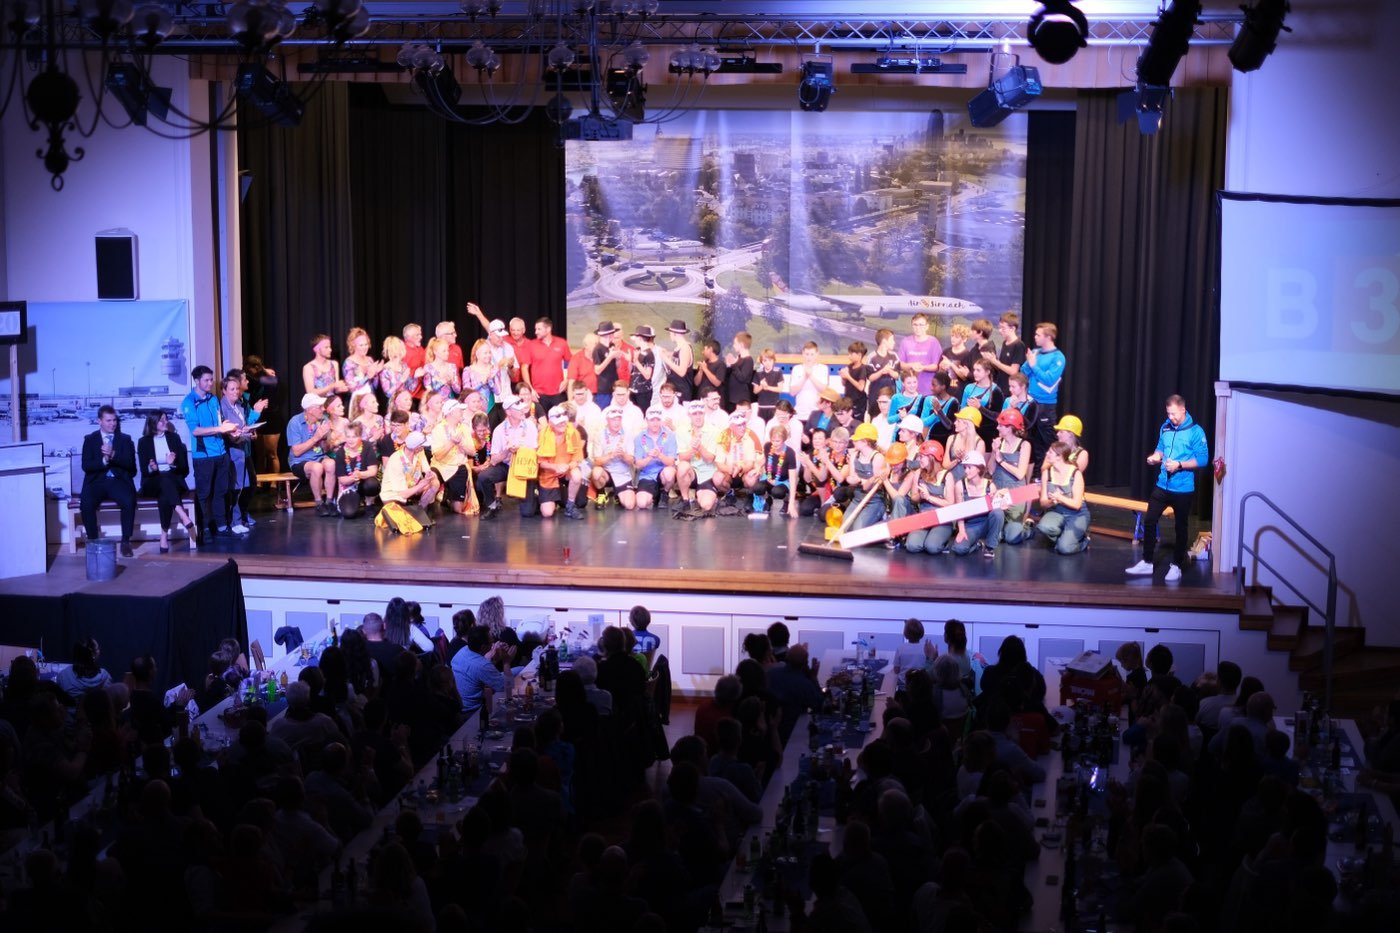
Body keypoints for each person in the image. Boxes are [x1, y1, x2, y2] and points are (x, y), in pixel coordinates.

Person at [1126, 395, 1209, 583]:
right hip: (1162, 485)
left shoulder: (1196, 431)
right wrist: (1155, 457)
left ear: (1183, 410)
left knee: (1181, 527)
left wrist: (1179, 465)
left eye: (1174, 414)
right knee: (1149, 520)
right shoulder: (1165, 427)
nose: (1171, 417)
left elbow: (1203, 459)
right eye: (1168, 414)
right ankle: (1147, 562)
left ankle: (1176, 565)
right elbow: (1160, 449)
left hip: (1183, 489)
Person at [181, 366, 239, 540]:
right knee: (204, 494)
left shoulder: (213, 399)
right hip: (203, 456)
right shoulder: (189, 402)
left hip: (221, 452)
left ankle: (222, 526)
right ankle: (205, 528)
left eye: (211, 379)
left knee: (221, 491)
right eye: (206, 380)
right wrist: (220, 429)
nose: (210, 383)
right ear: (196, 381)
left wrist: (229, 429)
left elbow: (220, 423)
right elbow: (195, 430)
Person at [76, 404, 140, 556]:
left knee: (128, 501)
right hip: (96, 482)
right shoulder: (90, 439)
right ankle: (93, 541)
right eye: (108, 420)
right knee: (86, 503)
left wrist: (113, 455)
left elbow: (131, 466)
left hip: (118, 481)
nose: (113, 424)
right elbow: (86, 466)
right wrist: (104, 461)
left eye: (114, 420)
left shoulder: (125, 440)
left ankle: (125, 542)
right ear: (99, 421)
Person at [137, 410, 194, 552]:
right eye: (162, 420)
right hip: (152, 483)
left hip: (173, 481)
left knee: (164, 494)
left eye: (166, 419)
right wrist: (152, 468)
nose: (165, 422)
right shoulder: (143, 442)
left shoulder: (174, 438)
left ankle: (164, 536)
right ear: (153, 422)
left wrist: (172, 464)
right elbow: (144, 471)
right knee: (163, 480)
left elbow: (185, 469)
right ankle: (182, 514)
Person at [476, 397, 537, 519]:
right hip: (506, 465)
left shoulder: (530, 426)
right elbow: (493, 460)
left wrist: (520, 450)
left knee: (528, 512)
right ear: (508, 412)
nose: (522, 411)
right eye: (518, 409)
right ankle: (492, 506)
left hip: (524, 467)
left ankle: (536, 499)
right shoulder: (499, 430)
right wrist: (507, 451)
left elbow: (535, 450)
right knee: (483, 477)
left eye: (522, 409)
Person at [221, 373, 263, 533]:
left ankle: (239, 519)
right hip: (232, 452)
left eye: (237, 389)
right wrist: (244, 435)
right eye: (232, 389)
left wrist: (249, 432)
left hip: (241, 451)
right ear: (224, 390)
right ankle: (234, 521)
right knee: (235, 487)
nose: (236, 392)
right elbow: (230, 434)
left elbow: (242, 428)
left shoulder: (238, 406)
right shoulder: (222, 408)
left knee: (243, 486)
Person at [528, 405, 586, 520]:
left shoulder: (573, 432)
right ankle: (544, 497)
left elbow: (577, 458)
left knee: (577, 477)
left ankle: (570, 505)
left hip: (567, 469)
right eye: (559, 423)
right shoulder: (542, 435)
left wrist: (568, 466)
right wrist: (555, 467)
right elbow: (540, 462)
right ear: (550, 423)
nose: (562, 425)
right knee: (547, 513)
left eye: (564, 422)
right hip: (549, 473)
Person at [1021, 322, 1066, 468]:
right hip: (1030, 402)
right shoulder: (1035, 352)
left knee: (1047, 441)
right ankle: (1035, 474)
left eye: (1038, 335)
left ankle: (1051, 472)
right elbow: (1023, 371)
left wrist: (1034, 366)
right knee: (1031, 440)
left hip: (1045, 405)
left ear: (1048, 337)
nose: (1035, 337)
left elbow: (1049, 379)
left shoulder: (1058, 357)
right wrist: (1030, 364)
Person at [1036, 441, 1091, 554]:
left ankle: (1083, 542)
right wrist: (1052, 501)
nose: (1047, 454)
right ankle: (1063, 538)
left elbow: (1077, 504)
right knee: (1043, 527)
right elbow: (1043, 502)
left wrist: (1060, 497)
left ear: (1059, 456)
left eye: (1050, 452)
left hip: (1077, 514)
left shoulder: (1075, 473)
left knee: (1064, 549)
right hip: (1057, 511)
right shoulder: (1047, 473)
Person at [287, 392, 336, 516]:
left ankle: (330, 502)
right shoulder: (295, 422)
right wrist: (316, 438)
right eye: (319, 407)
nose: (323, 409)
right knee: (317, 467)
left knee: (331, 464)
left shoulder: (324, 420)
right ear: (310, 410)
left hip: (319, 456)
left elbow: (326, 449)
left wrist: (325, 438)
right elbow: (296, 452)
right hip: (299, 461)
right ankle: (319, 503)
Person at [990, 408, 1033, 545]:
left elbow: (1020, 474)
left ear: (1010, 428)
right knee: (996, 536)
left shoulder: (1024, 445)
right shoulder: (998, 443)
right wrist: (994, 452)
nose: (997, 428)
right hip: (998, 492)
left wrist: (1001, 460)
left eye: (1000, 425)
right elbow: (990, 470)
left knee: (1012, 537)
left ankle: (1027, 528)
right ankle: (1002, 528)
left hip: (1015, 494)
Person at [904, 440, 955, 556]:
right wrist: (920, 495)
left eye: (922, 457)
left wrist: (928, 497)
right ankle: (926, 538)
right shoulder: (918, 473)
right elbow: (914, 498)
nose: (919, 459)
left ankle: (941, 542)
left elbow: (950, 503)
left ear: (932, 458)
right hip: (925, 517)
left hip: (942, 519)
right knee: (912, 546)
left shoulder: (947, 475)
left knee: (932, 547)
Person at [950, 452, 1002, 558]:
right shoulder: (960, 485)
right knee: (959, 549)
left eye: (969, 467)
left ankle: (989, 547)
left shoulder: (990, 486)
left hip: (986, 523)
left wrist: (1001, 503)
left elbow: (997, 511)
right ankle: (976, 544)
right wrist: (961, 530)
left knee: (998, 512)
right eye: (965, 467)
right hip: (970, 526)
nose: (966, 471)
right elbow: (959, 511)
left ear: (979, 468)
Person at [429, 399, 476, 514]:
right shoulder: (438, 429)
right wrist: (451, 442)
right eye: (460, 410)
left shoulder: (464, 428)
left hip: (458, 467)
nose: (462, 412)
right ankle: (426, 510)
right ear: (451, 413)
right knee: (432, 482)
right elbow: (438, 456)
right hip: (441, 466)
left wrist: (461, 444)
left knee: (458, 509)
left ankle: (448, 497)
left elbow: (472, 452)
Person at [242, 354, 281, 476]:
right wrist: (264, 370)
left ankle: (274, 484)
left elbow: (261, 381)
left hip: (271, 419)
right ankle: (259, 483)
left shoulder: (269, 379)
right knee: (260, 455)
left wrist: (263, 371)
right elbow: (251, 381)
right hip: (256, 417)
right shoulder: (249, 382)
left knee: (272, 454)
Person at [632, 406, 678, 510]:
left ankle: (664, 492)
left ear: (661, 421)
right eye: (652, 420)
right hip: (647, 475)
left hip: (663, 472)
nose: (655, 423)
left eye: (658, 420)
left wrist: (659, 455)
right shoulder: (639, 437)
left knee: (669, 473)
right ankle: (655, 496)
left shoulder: (670, 435)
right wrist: (649, 457)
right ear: (647, 421)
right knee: (641, 503)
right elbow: (638, 465)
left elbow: (671, 462)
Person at [380, 431, 440, 511]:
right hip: (395, 495)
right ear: (416, 447)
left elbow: (426, 468)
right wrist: (422, 484)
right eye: (422, 446)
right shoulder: (396, 461)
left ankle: (420, 510)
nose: (423, 448)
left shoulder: (419, 452)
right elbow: (402, 494)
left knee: (435, 482)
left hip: (411, 486)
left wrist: (430, 474)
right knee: (396, 506)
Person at [522, 316, 571, 412]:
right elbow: (524, 368)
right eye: (536, 329)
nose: (536, 332)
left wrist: (567, 380)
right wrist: (530, 389)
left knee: (560, 419)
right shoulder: (531, 345)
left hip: (558, 393)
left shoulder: (562, 343)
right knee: (541, 420)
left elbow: (570, 363)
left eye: (539, 329)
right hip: (539, 394)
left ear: (548, 329)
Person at [333, 422, 381, 517]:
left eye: (354, 437)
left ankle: (369, 504)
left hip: (364, 482)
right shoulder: (340, 453)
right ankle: (355, 500)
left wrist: (360, 474)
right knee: (348, 513)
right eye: (348, 437)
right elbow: (342, 479)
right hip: (349, 486)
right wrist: (352, 477)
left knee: (372, 484)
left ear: (360, 436)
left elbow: (373, 471)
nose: (350, 440)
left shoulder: (367, 447)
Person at [749, 423, 798, 516]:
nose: (775, 443)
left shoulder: (790, 453)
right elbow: (765, 459)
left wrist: (792, 504)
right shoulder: (768, 446)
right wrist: (758, 467)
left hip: (783, 481)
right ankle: (768, 500)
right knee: (757, 488)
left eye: (778, 441)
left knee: (777, 492)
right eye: (773, 440)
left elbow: (793, 479)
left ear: (784, 440)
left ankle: (787, 502)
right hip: (768, 478)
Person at [898, 313, 942, 395]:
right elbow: (901, 364)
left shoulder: (933, 342)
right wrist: (911, 365)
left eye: (921, 325)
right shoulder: (905, 341)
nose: (918, 328)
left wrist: (923, 367)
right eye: (915, 325)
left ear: (927, 326)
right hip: (908, 391)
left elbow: (936, 366)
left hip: (928, 390)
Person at [984, 311, 1027, 396]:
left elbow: (1013, 371)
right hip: (1001, 387)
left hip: (1011, 390)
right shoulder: (1005, 343)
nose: (1000, 331)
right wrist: (992, 360)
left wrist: (995, 362)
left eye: (1003, 328)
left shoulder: (1019, 345)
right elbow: (1003, 366)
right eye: (999, 328)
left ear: (1012, 328)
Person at [788, 341, 829, 422]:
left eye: (812, 354)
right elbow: (792, 392)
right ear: (803, 354)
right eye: (807, 354)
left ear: (817, 354)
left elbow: (824, 390)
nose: (809, 357)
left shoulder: (823, 368)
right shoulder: (797, 369)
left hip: (817, 413)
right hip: (800, 414)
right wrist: (805, 377)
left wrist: (810, 376)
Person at [302, 333, 347, 402]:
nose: (330, 350)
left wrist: (343, 387)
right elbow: (310, 392)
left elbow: (336, 389)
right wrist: (332, 386)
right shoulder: (308, 367)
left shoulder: (334, 364)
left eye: (330, 347)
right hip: (317, 404)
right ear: (317, 349)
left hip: (333, 403)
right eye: (326, 347)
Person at [658, 319, 695, 401]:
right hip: (675, 389)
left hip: (682, 393)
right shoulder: (679, 348)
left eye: (670, 333)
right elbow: (678, 359)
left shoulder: (685, 348)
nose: (670, 335)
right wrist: (668, 354)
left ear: (674, 333)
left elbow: (682, 372)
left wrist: (666, 359)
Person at [341, 326, 384, 396]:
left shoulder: (369, 360)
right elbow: (351, 388)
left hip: (370, 397)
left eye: (366, 344)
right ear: (353, 345)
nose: (364, 347)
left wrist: (375, 374)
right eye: (361, 345)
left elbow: (375, 386)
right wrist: (367, 377)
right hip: (357, 398)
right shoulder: (349, 363)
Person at [378, 334, 420, 405]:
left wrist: (416, 377)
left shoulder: (404, 366)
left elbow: (411, 388)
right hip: (393, 405)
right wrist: (401, 380)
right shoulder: (385, 370)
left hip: (406, 402)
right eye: (400, 348)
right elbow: (388, 393)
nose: (403, 350)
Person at [589, 321, 623, 397]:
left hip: (614, 386)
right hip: (604, 389)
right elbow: (597, 370)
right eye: (612, 334)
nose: (613, 336)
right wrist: (610, 356)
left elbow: (617, 366)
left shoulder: (611, 345)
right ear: (608, 335)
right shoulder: (597, 349)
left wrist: (617, 358)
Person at [421, 335, 461, 401]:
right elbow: (429, 390)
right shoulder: (428, 368)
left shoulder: (452, 367)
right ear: (435, 352)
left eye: (448, 350)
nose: (447, 353)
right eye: (444, 351)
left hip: (450, 402)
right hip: (435, 402)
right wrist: (443, 383)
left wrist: (452, 383)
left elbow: (458, 391)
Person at [722, 330, 753, 410]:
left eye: (735, 343)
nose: (733, 346)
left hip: (740, 399)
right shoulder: (738, 358)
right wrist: (729, 364)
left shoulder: (748, 360)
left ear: (741, 345)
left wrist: (734, 364)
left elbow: (742, 378)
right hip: (732, 397)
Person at [693, 338, 727, 406]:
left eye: (705, 349)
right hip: (702, 398)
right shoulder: (704, 362)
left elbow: (717, 383)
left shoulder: (720, 364)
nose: (703, 352)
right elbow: (696, 383)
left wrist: (705, 369)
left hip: (713, 400)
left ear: (710, 349)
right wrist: (701, 371)